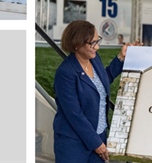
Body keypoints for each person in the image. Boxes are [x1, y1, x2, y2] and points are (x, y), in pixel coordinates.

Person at [53, 20, 141, 162]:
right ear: (77, 44)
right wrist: (97, 144)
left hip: (99, 138)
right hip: (74, 146)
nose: (98, 47)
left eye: (97, 40)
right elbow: (74, 114)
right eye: (93, 43)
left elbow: (103, 80)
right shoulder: (65, 73)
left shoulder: (94, 59)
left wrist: (121, 58)